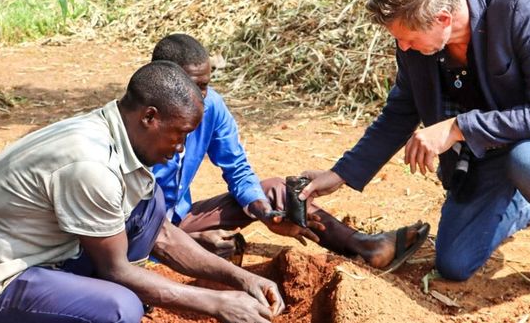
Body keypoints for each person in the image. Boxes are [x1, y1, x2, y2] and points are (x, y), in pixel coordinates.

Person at [300, 0, 530, 305]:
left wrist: (458, 126)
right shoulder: (416, 36)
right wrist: (341, 173)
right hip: (494, 140)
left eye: (407, 39)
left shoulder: (517, 2)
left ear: (443, 19)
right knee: (454, 262)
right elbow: (400, 111)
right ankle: (523, 201)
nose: (402, 47)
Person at [0, 61, 285, 323]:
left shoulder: (115, 131)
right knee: (121, 312)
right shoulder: (91, 165)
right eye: (179, 134)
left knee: (151, 206)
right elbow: (116, 271)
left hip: (38, 255)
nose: (181, 147)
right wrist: (218, 303)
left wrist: (241, 278)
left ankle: (81, 322)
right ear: (149, 117)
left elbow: (163, 235)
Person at [150, 33, 430, 271]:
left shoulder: (211, 106)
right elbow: (122, 222)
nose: (202, 96)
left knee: (276, 191)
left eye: (205, 85)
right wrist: (188, 242)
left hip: (180, 217)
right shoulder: (138, 123)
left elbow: (237, 169)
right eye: (193, 86)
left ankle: (364, 245)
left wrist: (266, 214)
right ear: (163, 81)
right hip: (143, 232)